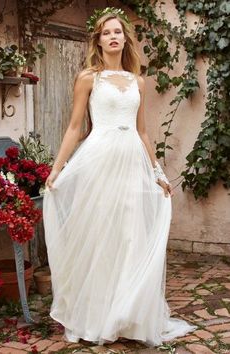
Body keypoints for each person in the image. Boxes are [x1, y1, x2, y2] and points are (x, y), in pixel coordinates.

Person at [43, 7, 197, 347]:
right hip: (99, 159)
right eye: (107, 32)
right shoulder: (88, 78)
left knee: (130, 234)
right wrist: (58, 168)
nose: (114, 37)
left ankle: (127, 315)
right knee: (101, 234)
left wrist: (157, 173)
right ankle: (98, 313)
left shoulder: (137, 81)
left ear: (125, 40)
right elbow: (73, 127)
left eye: (118, 32)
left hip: (130, 162)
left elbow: (143, 133)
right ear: (98, 41)